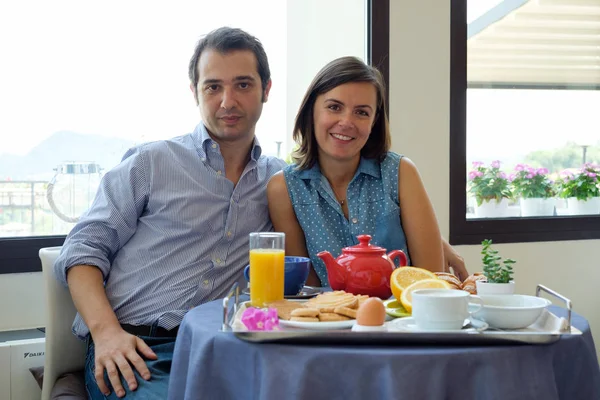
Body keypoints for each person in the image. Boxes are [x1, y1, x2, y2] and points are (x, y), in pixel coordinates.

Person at [53, 27, 286, 399]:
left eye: (243, 84)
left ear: (267, 89)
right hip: (138, 347)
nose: (228, 101)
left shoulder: (279, 181)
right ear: (194, 91)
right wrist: (107, 333)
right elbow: (81, 252)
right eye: (213, 86)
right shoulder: (151, 161)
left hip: (227, 346)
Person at [267, 56, 468, 288]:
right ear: (311, 110)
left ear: (374, 122)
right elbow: (307, 291)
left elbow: (430, 281)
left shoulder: (401, 173)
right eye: (334, 107)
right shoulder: (284, 188)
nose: (346, 121)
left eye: (361, 112)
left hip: (403, 319)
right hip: (328, 320)